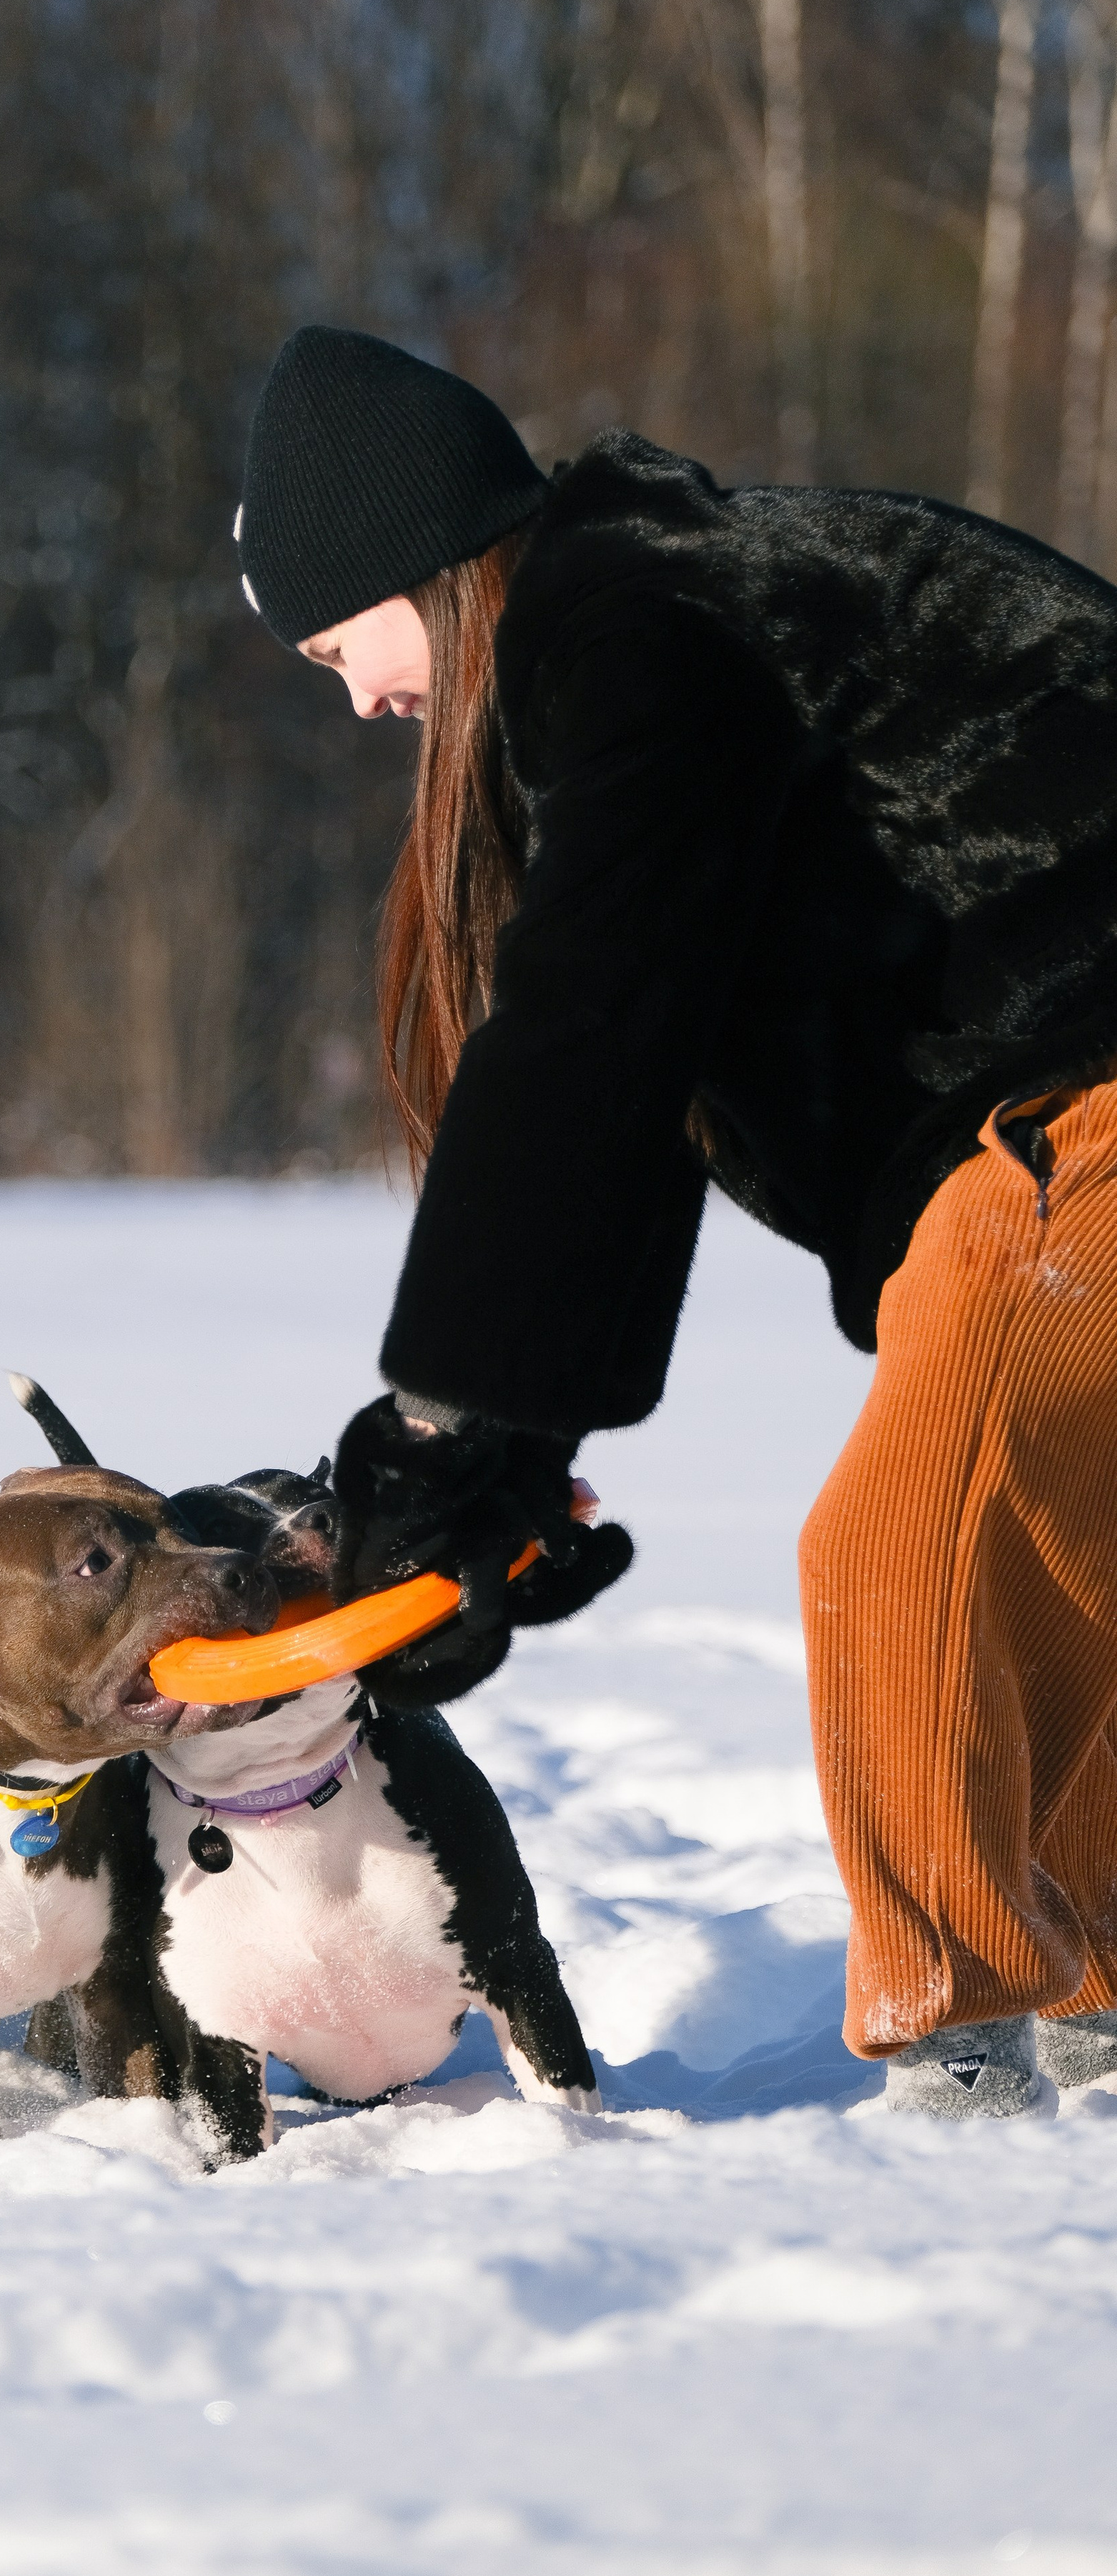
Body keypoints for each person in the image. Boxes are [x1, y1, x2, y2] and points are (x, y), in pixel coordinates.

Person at [236, 322, 1117, 2120]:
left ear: (412, 557)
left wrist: (447, 1429)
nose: (358, 703)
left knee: (902, 1554)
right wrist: (500, 1450)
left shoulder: (636, 622)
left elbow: (591, 1022)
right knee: (1057, 1582)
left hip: (1086, 1119)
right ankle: (1091, 2018)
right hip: (1026, 1141)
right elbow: (637, 1072)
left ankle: (963, 2080)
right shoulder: (687, 615)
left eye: (340, 648)